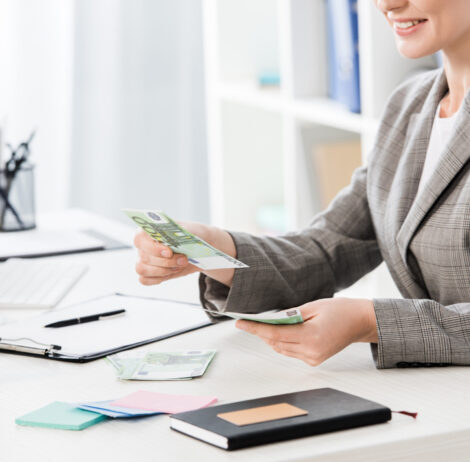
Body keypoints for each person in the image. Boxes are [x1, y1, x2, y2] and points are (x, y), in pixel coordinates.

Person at [134, 0, 470, 369]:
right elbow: (327, 251)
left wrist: (370, 322)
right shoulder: (409, 106)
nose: (387, 4)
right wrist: (213, 247)